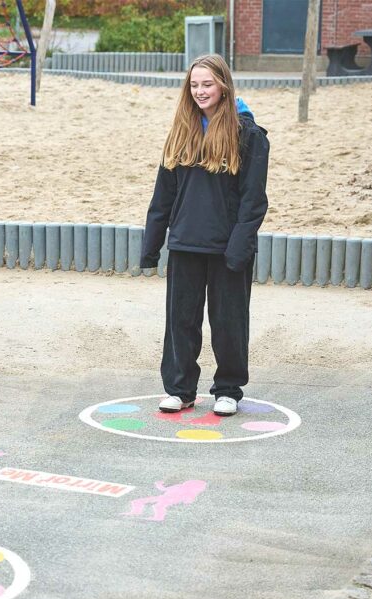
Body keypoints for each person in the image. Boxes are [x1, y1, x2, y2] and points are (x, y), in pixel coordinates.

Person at [140, 54, 270, 417]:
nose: (200, 91)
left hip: (228, 247)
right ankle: (180, 389)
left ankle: (228, 389)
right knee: (180, 320)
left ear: (224, 86)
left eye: (207, 84)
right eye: (194, 85)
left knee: (229, 322)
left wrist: (239, 247)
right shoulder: (181, 132)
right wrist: (152, 246)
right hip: (185, 243)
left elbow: (253, 200)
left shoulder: (249, 135)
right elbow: (163, 195)